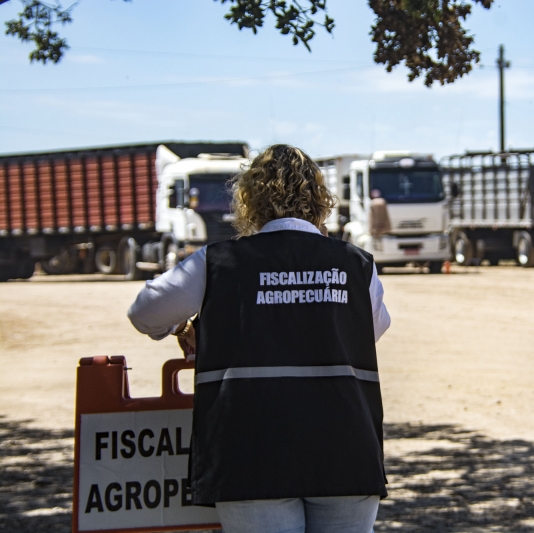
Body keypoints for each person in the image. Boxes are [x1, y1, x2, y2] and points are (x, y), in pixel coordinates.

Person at [127, 144, 391, 533]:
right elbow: (372, 329)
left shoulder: (219, 261)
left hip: (250, 448)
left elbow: (145, 312)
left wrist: (184, 328)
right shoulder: (355, 263)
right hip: (346, 446)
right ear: (320, 199)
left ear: (250, 199)